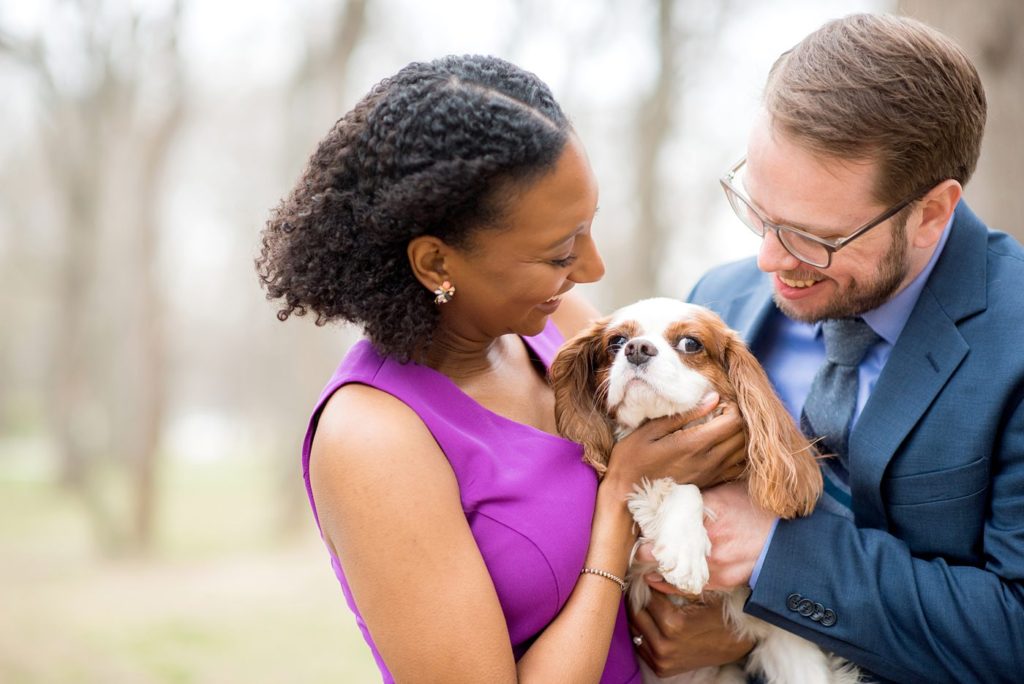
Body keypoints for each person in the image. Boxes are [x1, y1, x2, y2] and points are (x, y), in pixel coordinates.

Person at [255, 55, 747, 683]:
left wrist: (725, 634)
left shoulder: (556, 324)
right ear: (436, 263)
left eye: (588, 230)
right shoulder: (372, 437)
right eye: (561, 252)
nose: (593, 269)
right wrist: (619, 503)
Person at [632, 13, 1024, 683]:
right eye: (759, 211)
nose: (767, 260)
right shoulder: (714, 308)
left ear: (932, 212)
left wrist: (776, 561)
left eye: (816, 237)